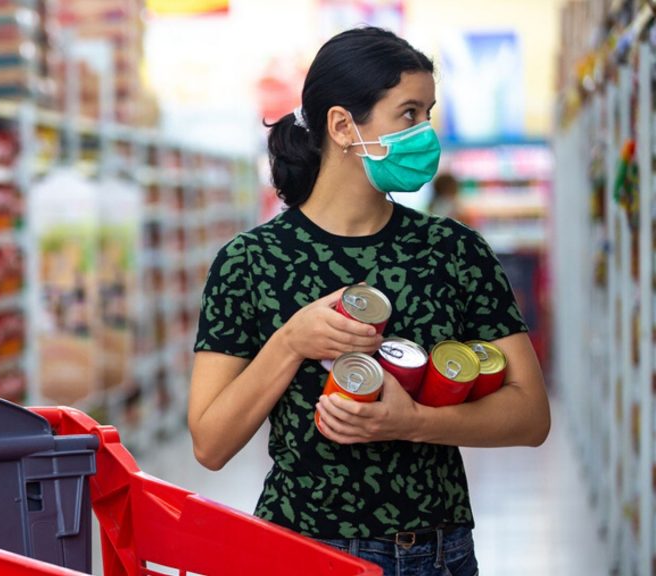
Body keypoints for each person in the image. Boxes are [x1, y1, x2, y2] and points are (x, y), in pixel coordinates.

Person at [188, 27, 549, 576]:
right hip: (300, 549)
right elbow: (210, 444)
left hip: (434, 550)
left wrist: (414, 421)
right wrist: (290, 342)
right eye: (408, 114)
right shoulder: (251, 260)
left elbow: (531, 416)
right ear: (342, 126)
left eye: (428, 114)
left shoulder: (453, 251)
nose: (424, 134)